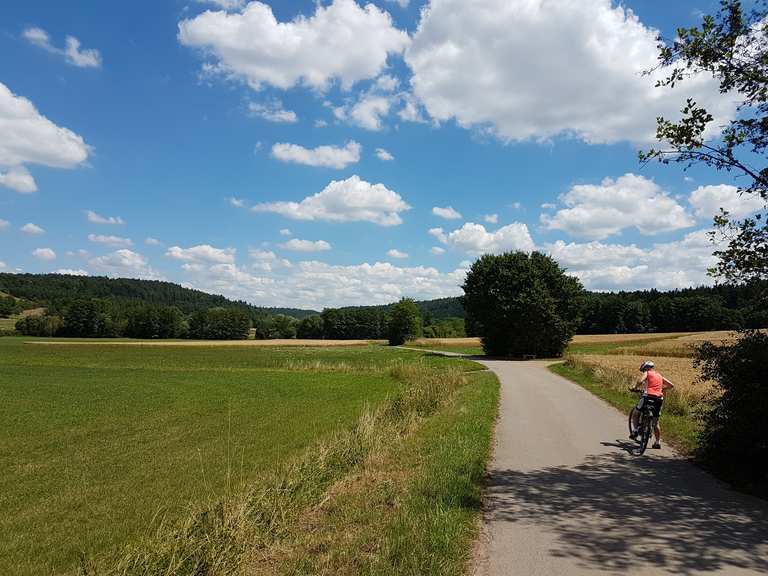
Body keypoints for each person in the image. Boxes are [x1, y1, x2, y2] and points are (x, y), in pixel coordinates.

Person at [630, 360, 674, 449]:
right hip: (659, 399)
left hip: (648, 397)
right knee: (656, 422)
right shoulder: (660, 376)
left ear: (646, 368)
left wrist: (635, 387)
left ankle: (635, 431)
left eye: (644, 369)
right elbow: (671, 385)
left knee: (636, 413)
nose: (643, 371)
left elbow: (640, 380)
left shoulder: (647, 373)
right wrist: (661, 389)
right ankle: (657, 442)